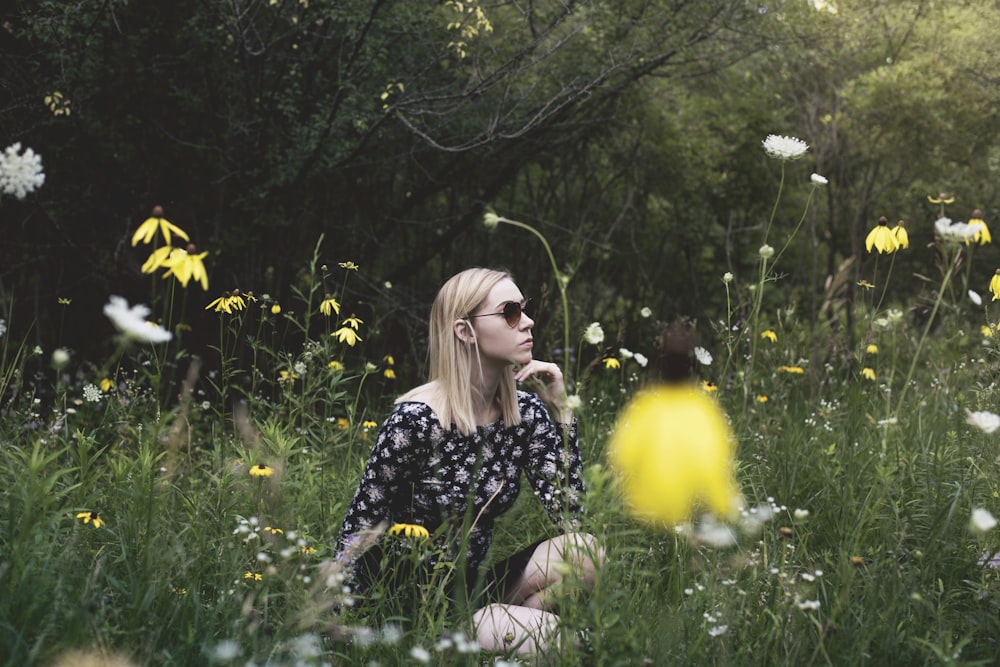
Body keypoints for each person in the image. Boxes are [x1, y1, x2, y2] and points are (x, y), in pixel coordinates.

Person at [336, 267, 602, 657]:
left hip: (470, 590)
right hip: (407, 609)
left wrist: (561, 412)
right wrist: (340, 634)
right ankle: (479, 642)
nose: (527, 322)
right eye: (510, 312)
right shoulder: (415, 421)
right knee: (568, 641)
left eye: (524, 309)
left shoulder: (523, 412)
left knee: (586, 551)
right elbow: (356, 533)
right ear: (465, 331)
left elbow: (571, 516)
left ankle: (502, 637)